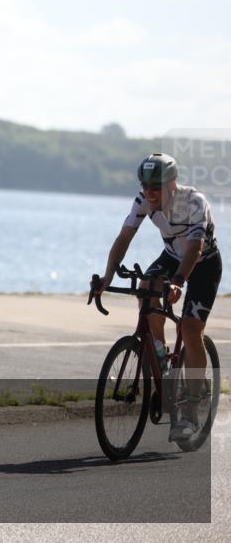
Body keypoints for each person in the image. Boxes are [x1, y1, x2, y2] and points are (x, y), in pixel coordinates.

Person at [97, 152, 221, 440]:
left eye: (156, 188)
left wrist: (178, 282)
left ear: (172, 185)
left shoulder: (194, 203)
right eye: (145, 187)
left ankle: (189, 413)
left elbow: (194, 250)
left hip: (203, 263)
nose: (149, 193)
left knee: (190, 328)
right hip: (170, 255)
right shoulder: (142, 201)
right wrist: (107, 277)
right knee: (146, 289)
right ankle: (161, 357)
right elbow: (124, 237)